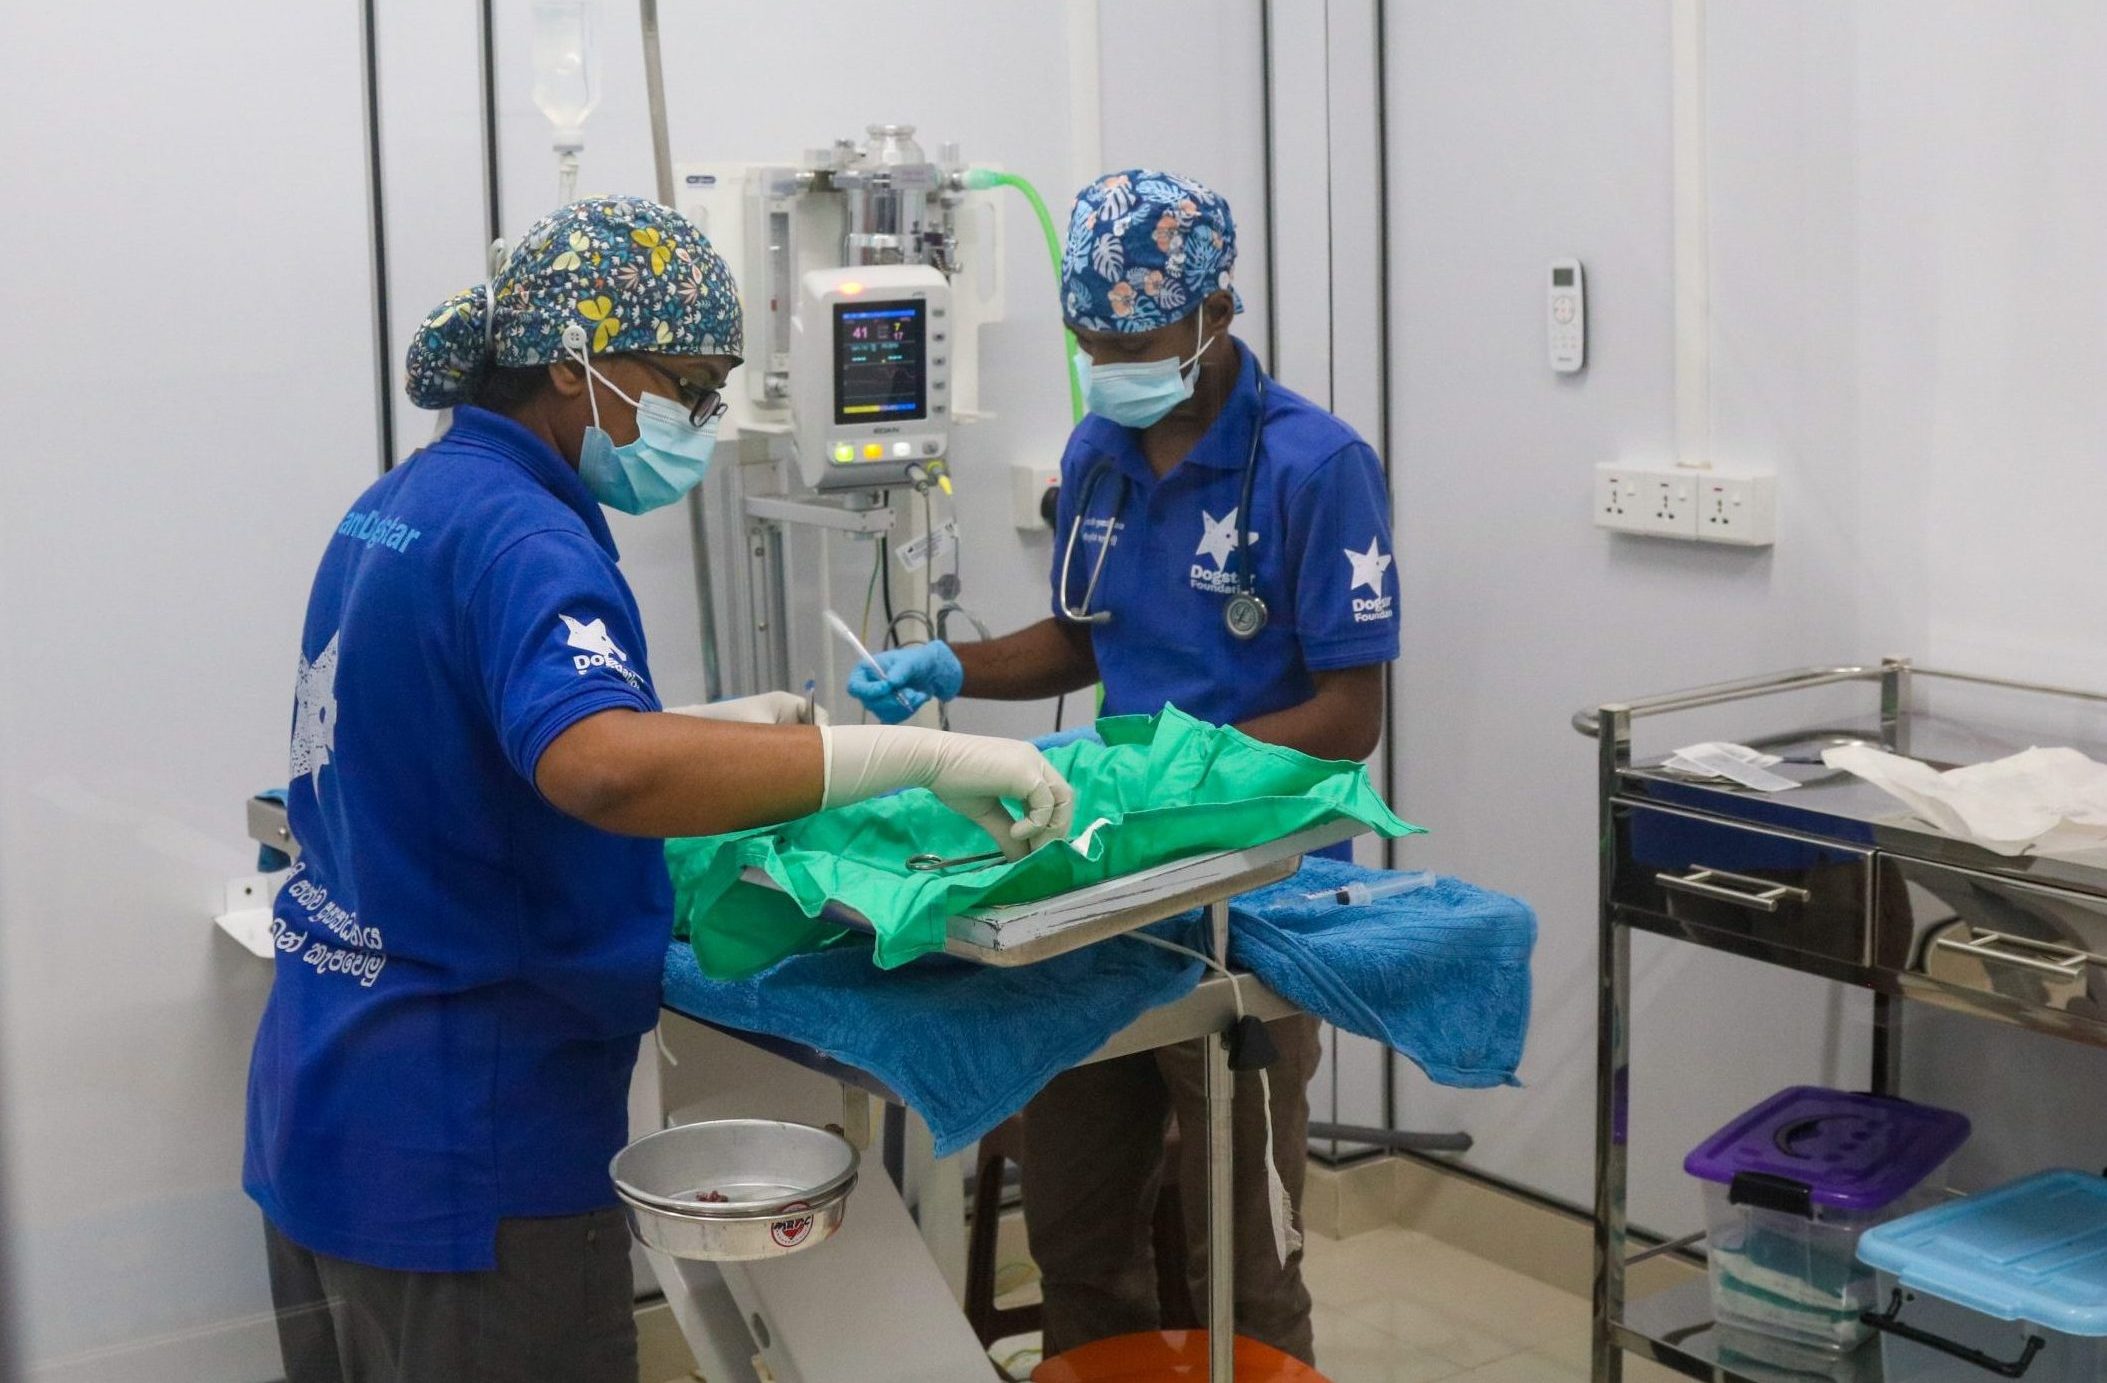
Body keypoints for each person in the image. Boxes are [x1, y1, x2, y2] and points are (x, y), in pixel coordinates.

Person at [245, 196, 1075, 1383]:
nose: (699, 420)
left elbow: (474, 740)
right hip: (468, 1142)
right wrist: (923, 755)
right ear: (578, 369)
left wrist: (719, 733)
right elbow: (600, 765)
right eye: (688, 386)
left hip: (324, 1105)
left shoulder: (401, 507)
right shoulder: (527, 539)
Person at [846, 169, 1400, 1364]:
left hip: (1253, 891)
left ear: (1216, 312)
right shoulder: (1100, 451)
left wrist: (1177, 769)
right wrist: (948, 665)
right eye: (1091, 341)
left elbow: (1349, 715)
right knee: (1079, 1235)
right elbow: (1081, 636)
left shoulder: (1314, 468)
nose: (1111, 363)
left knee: (1240, 1258)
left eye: (1136, 340)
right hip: (1101, 883)